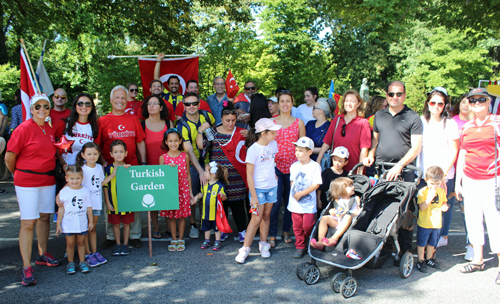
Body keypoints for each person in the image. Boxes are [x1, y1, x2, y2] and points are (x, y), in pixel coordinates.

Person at [363, 80, 423, 262]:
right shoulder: (379, 116)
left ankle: (405, 251)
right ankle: (383, 246)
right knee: (380, 209)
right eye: (391, 94)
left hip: (404, 171)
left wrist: (400, 166)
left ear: (404, 95)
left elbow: (416, 148)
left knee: (404, 212)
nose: (395, 97)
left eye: (399, 94)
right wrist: (370, 155)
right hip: (382, 169)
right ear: (387, 95)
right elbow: (375, 142)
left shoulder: (413, 117)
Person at [5, 93, 61, 286]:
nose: (42, 110)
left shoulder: (49, 129)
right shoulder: (23, 129)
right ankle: (26, 266)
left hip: (47, 179)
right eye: (38, 107)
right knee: (28, 223)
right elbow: (9, 157)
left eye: (46, 106)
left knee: (45, 217)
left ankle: (42, 254)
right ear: (31, 109)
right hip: (27, 180)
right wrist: (19, 173)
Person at [455, 87, 500, 285]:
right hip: (470, 178)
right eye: (473, 100)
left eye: (481, 99)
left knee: (494, 220)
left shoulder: (497, 123)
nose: (477, 103)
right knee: (473, 218)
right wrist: (458, 181)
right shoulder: (466, 126)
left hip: (492, 178)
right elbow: (463, 153)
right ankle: (478, 260)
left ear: (489, 101)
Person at [96, 85, 146, 249]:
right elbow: (97, 145)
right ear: (111, 100)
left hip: (131, 167)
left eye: (123, 97)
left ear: (127, 101)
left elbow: (140, 142)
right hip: (111, 169)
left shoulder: (133, 119)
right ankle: (111, 235)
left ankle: (134, 234)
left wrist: (143, 163)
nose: (120, 100)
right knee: (111, 200)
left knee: (133, 201)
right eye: (117, 97)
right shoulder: (103, 121)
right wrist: (103, 161)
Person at [416, 87, 459, 251]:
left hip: (444, 175)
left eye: (440, 103)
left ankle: (436, 243)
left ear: (445, 105)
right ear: (427, 103)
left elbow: (454, 150)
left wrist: (443, 176)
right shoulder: (420, 121)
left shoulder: (450, 124)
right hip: (424, 174)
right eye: (432, 102)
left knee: (441, 208)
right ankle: (422, 244)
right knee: (424, 207)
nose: (435, 106)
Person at [235, 118, 281, 264]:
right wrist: (253, 196)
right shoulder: (253, 149)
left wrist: (273, 173)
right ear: (263, 133)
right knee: (256, 219)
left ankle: (263, 244)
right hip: (258, 189)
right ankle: (245, 249)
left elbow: (271, 162)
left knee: (267, 215)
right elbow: (249, 174)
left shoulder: (273, 144)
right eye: (272, 132)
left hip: (272, 186)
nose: (275, 134)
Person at [204, 102, 248, 242]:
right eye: (227, 120)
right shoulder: (213, 132)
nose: (230, 123)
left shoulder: (241, 131)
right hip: (218, 178)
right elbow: (203, 147)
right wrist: (201, 131)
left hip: (237, 177)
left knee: (238, 207)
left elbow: (253, 146)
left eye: (233, 120)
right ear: (221, 119)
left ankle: (242, 230)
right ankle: (221, 229)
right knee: (220, 205)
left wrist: (250, 134)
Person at [269, 90, 305, 247]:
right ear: (278, 103)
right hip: (275, 169)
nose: (285, 104)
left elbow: (303, 146)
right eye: (282, 101)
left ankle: (285, 231)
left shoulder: (299, 122)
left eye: (288, 101)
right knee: (275, 203)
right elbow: (267, 145)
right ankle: (272, 234)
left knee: (290, 202)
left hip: (294, 170)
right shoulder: (271, 122)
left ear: (292, 103)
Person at [176, 92, 215, 239]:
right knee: (192, 194)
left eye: (194, 103)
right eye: (188, 104)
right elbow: (189, 151)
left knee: (207, 193)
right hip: (193, 164)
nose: (191, 106)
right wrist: (200, 170)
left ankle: (205, 222)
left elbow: (214, 134)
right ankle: (193, 225)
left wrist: (209, 166)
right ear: (184, 106)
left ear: (198, 104)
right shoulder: (182, 125)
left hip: (211, 160)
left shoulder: (207, 116)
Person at [316, 90, 371, 174]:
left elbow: (364, 150)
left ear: (359, 104)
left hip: (353, 170)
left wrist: (360, 171)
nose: (349, 104)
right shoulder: (337, 119)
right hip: (335, 170)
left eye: (353, 101)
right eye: (347, 101)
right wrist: (318, 161)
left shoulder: (363, 123)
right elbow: (327, 142)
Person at [141, 94, 172, 239]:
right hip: (149, 167)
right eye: (149, 103)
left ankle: (169, 226)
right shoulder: (141, 124)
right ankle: (156, 226)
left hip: (167, 167)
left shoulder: (169, 123)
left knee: (166, 198)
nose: (151, 106)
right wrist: (143, 164)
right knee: (151, 199)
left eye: (155, 103)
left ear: (161, 107)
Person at [75, 142, 110, 267]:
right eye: (89, 154)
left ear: (99, 154)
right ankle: (87, 253)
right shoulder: (82, 170)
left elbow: (101, 182)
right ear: (83, 155)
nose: (92, 156)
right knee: (85, 230)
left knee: (93, 228)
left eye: (95, 154)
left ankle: (95, 252)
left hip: (96, 204)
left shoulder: (99, 167)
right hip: (85, 206)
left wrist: (113, 174)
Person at [287, 137, 322, 258]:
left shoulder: (315, 166)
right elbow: (292, 182)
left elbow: (316, 184)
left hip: (308, 204)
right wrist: (295, 194)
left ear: (309, 152)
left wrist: (301, 194)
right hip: (295, 203)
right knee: (296, 226)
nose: (297, 153)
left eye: (301, 150)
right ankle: (300, 246)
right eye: (296, 150)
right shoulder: (294, 166)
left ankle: (307, 238)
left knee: (307, 225)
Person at [55, 165, 94, 274]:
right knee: (70, 244)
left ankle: (82, 262)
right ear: (66, 179)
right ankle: (71, 263)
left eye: (77, 178)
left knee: (81, 242)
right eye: (71, 178)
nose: (75, 181)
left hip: (81, 223)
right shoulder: (64, 192)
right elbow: (61, 209)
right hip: (68, 224)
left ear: (82, 178)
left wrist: (90, 221)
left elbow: (89, 207)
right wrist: (58, 224)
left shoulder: (85, 191)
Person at [159, 128, 193, 252]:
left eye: (176, 141)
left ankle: (181, 238)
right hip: (170, 191)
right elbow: (161, 177)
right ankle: (173, 239)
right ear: (166, 142)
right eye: (170, 141)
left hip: (182, 189)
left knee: (182, 216)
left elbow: (188, 174)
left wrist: (190, 192)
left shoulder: (185, 156)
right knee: (172, 216)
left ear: (180, 141)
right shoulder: (163, 158)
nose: (173, 143)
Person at [451, 93, 474, 260]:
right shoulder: (452, 122)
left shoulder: (477, 124)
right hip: (453, 169)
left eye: (469, 102)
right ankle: (438, 239)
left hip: (473, 171)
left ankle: (471, 244)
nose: (466, 105)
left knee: (469, 211)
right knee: (446, 206)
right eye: (463, 102)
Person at [310, 177, 360, 250]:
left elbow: (359, 211)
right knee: (324, 218)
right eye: (350, 186)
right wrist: (332, 211)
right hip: (338, 220)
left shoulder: (355, 198)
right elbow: (334, 209)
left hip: (349, 222)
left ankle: (334, 238)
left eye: (352, 185)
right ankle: (320, 242)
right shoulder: (337, 199)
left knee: (347, 217)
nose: (353, 187)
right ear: (341, 189)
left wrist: (351, 214)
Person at [103, 140, 134, 256]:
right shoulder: (108, 169)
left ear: (126, 153)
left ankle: (125, 244)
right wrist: (107, 201)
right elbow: (104, 185)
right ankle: (118, 244)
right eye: (115, 152)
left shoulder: (129, 168)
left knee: (126, 224)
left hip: (126, 202)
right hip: (113, 202)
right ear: (111, 154)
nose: (118, 154)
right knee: (115, 224)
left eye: (121, 151)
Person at [415, 166, 448, 273]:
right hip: (425, 222)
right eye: (432, 184)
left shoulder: (441, 191)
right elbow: (422, 207)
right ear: (426, 181)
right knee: (422, 243)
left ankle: (429, 259)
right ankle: (420, 260)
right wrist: (430, 197)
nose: (435, 186)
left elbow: (444, 202)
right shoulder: (423, 192)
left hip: (436, 223)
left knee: (432, 243)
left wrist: (444, 206)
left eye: (438, 184)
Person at [55, 93, 99, 169]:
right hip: (67, 171)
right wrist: (64, 164)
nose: (84, 107)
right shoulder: (64, 123)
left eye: (87, 104)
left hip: (86, 170)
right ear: (75, 106)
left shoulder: (95, 126)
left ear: (91, 107)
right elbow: (55, 146)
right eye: (80, 104)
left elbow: (97, 149)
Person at [193, 162, 228, 251]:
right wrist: (196, 197)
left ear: (212, 174)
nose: (204, 173)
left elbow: (224, 197)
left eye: (205, 171)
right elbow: (202, 193)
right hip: (206, 212)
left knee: (217, 228)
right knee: (206, 227)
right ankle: (207, 240)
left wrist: (222, 196)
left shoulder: (219, 186)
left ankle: (217, 241)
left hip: (216, 213)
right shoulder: (205, 184)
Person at [316, 147, 350, 215]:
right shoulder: (326, 172)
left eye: (340, 161)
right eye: (335, 160)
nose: (337, 163)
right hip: (324, 201)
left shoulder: (346, 175)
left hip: (338, 204)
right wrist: (318, 199)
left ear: (346, 162)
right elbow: (320, 188)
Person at [305, 97, 335, 162]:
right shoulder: (309, 124)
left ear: (321, 111)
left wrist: (307, 150)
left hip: (320, 162)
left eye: (314, 108)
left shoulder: (330, 127)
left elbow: (328, 148)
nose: (312, 110)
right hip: (304, 160)